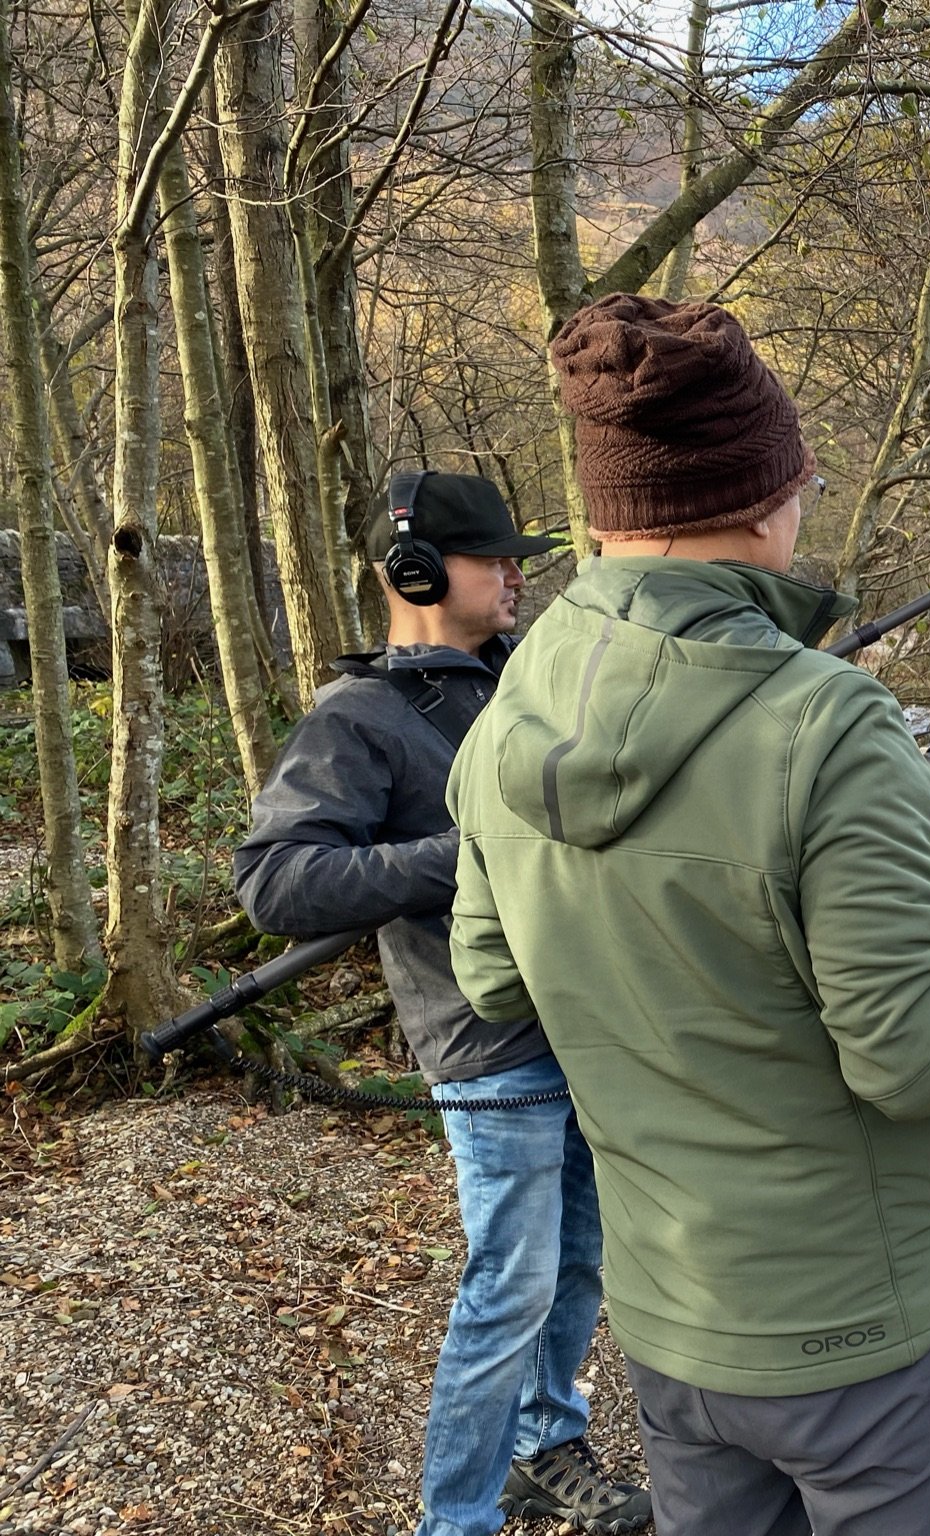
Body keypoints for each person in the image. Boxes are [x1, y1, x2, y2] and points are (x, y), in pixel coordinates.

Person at [442, 293, 930, 1536]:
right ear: (768, 494)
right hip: (874, 1344)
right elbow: (913, 1050)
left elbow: (497, 983)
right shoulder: (830, 720)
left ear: (605, 515)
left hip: (670, 1322)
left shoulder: (502, 720)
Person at [233, 472, 652, 1536]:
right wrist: (464, 854)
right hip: (483, 1044)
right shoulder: (359, 718)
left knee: (579, 1264)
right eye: (494, 559)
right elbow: (278, 884)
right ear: (416, 573)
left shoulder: (530, 679)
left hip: (583, 1023)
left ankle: (544, 1448)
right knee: (507, 1289)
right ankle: (454, 1519)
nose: (518, 575)